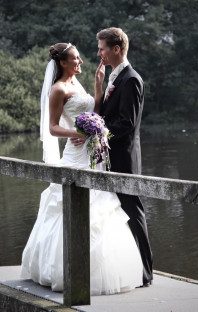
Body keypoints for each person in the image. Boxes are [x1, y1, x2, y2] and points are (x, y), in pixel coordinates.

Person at [20, 42, 143, 295]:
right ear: (63, 63)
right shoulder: (58, 89)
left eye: (79, 58)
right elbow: (53, 127)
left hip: (93, 155)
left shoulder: (78, 84)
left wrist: (98, 87)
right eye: (75, 59)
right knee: (66, 206)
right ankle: (63, 270)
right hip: (75, 154)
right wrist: (75, 132)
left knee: (102, 207)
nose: (80, 62)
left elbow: (95, 113)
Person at [95, 27, 153, 286]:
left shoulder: (131, 79)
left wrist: (98, 136)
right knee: (119, 214)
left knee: (133, 212)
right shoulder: (115, 78)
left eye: (102, 48)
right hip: (111, 159)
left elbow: (126, 123)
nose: (99, 53)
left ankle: (147, 273)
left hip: (125, 160)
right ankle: (131, 269)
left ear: (116, 49)